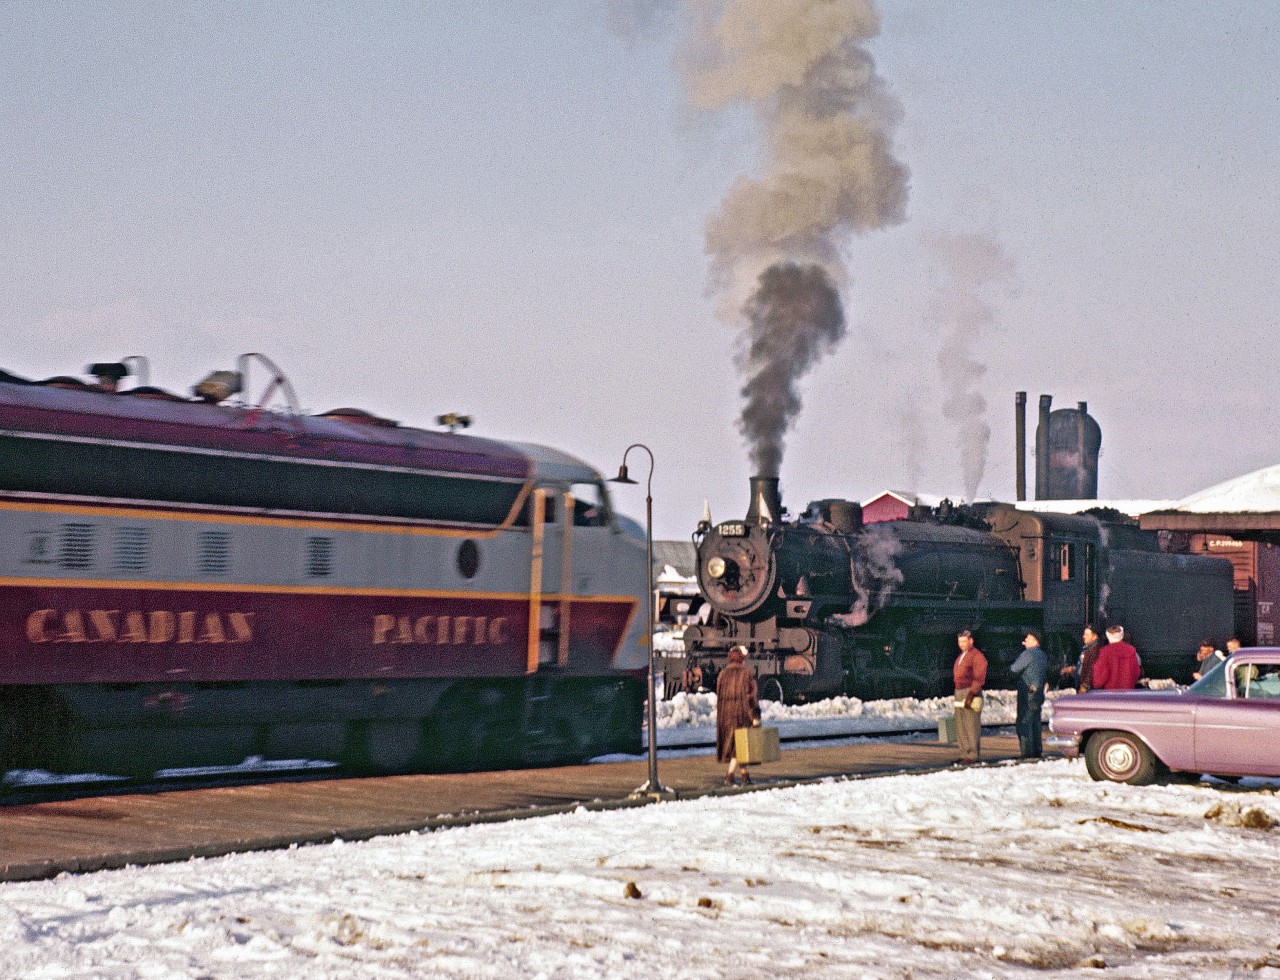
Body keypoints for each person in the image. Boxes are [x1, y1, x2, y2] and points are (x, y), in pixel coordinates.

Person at [715, 645, 760, 786]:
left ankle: (745, 776)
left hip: (725, 716)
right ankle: (729, 776)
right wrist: (755, 716)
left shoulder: (722, 674)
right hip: (741, 715)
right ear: (741, 659)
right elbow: (750, 697)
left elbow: (719, 695)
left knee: (738, 747)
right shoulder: (746, 673)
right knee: (740, 747)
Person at [1010, 632, 1048, 758]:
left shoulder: (1028, 654)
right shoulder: (1043, 655)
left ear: (1036, 641)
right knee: (1035, 721)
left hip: (1027, 693)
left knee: (1025, 722)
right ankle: (1037, 750)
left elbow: (1014, 669)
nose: (1025, 640)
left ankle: (1027, 752)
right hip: (1038, 693)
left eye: (1028, 638)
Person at [952, 629, 988, 763]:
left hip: (969, 691)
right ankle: (964, 752)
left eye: (964, 641)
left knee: (971, 724)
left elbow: (979, 677)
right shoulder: (962, 655)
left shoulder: (977, 656)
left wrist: (972, 693)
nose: (961, 644)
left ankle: (972, 754)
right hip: (960, 690)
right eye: (959, 642)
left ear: (971, 641)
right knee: (961, 724)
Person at [1092, 625, 1142, 690]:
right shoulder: (1131, 650)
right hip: (1128, 692)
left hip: (1110, 693)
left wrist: (1096, 684)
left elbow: (1100, 674)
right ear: (1122, 636)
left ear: (1108, 636)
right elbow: (1136, 672)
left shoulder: (1104, 652)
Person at [1060, 625, 1102, 693]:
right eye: (1084, 634)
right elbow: (1084, 666)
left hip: (1089, 689)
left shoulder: (1095, 650)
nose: (1083, 636)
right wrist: (1074, 669)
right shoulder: (1088, 649)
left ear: (1095, 636)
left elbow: (1092, 668)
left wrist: (1085, 685)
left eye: (1087, 634)